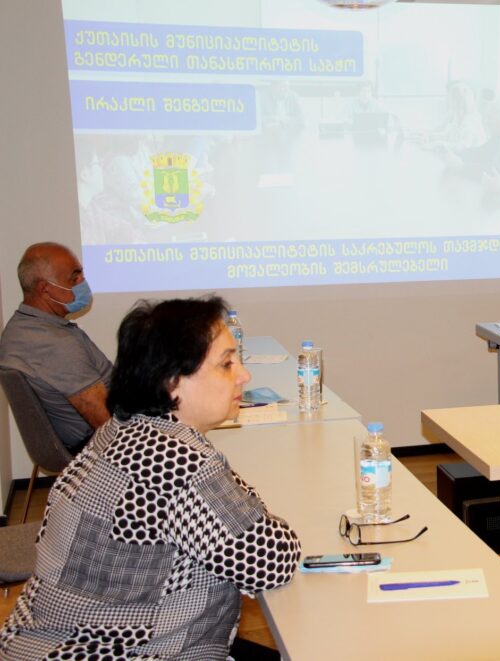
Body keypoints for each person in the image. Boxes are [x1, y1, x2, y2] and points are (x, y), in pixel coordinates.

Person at [0, 296, 301, 659]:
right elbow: (272, 562)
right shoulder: (178, 460)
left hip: (45, 642)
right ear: (172, 381)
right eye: (226, 364)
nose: (244, 375)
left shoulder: (121, 429)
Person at [0, 242, 111, 452]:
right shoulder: (54, 344)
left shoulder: (22, 327)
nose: (83, 282)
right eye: (74, 278)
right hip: (101, 444)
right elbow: (106, 423)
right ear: (45, 289)